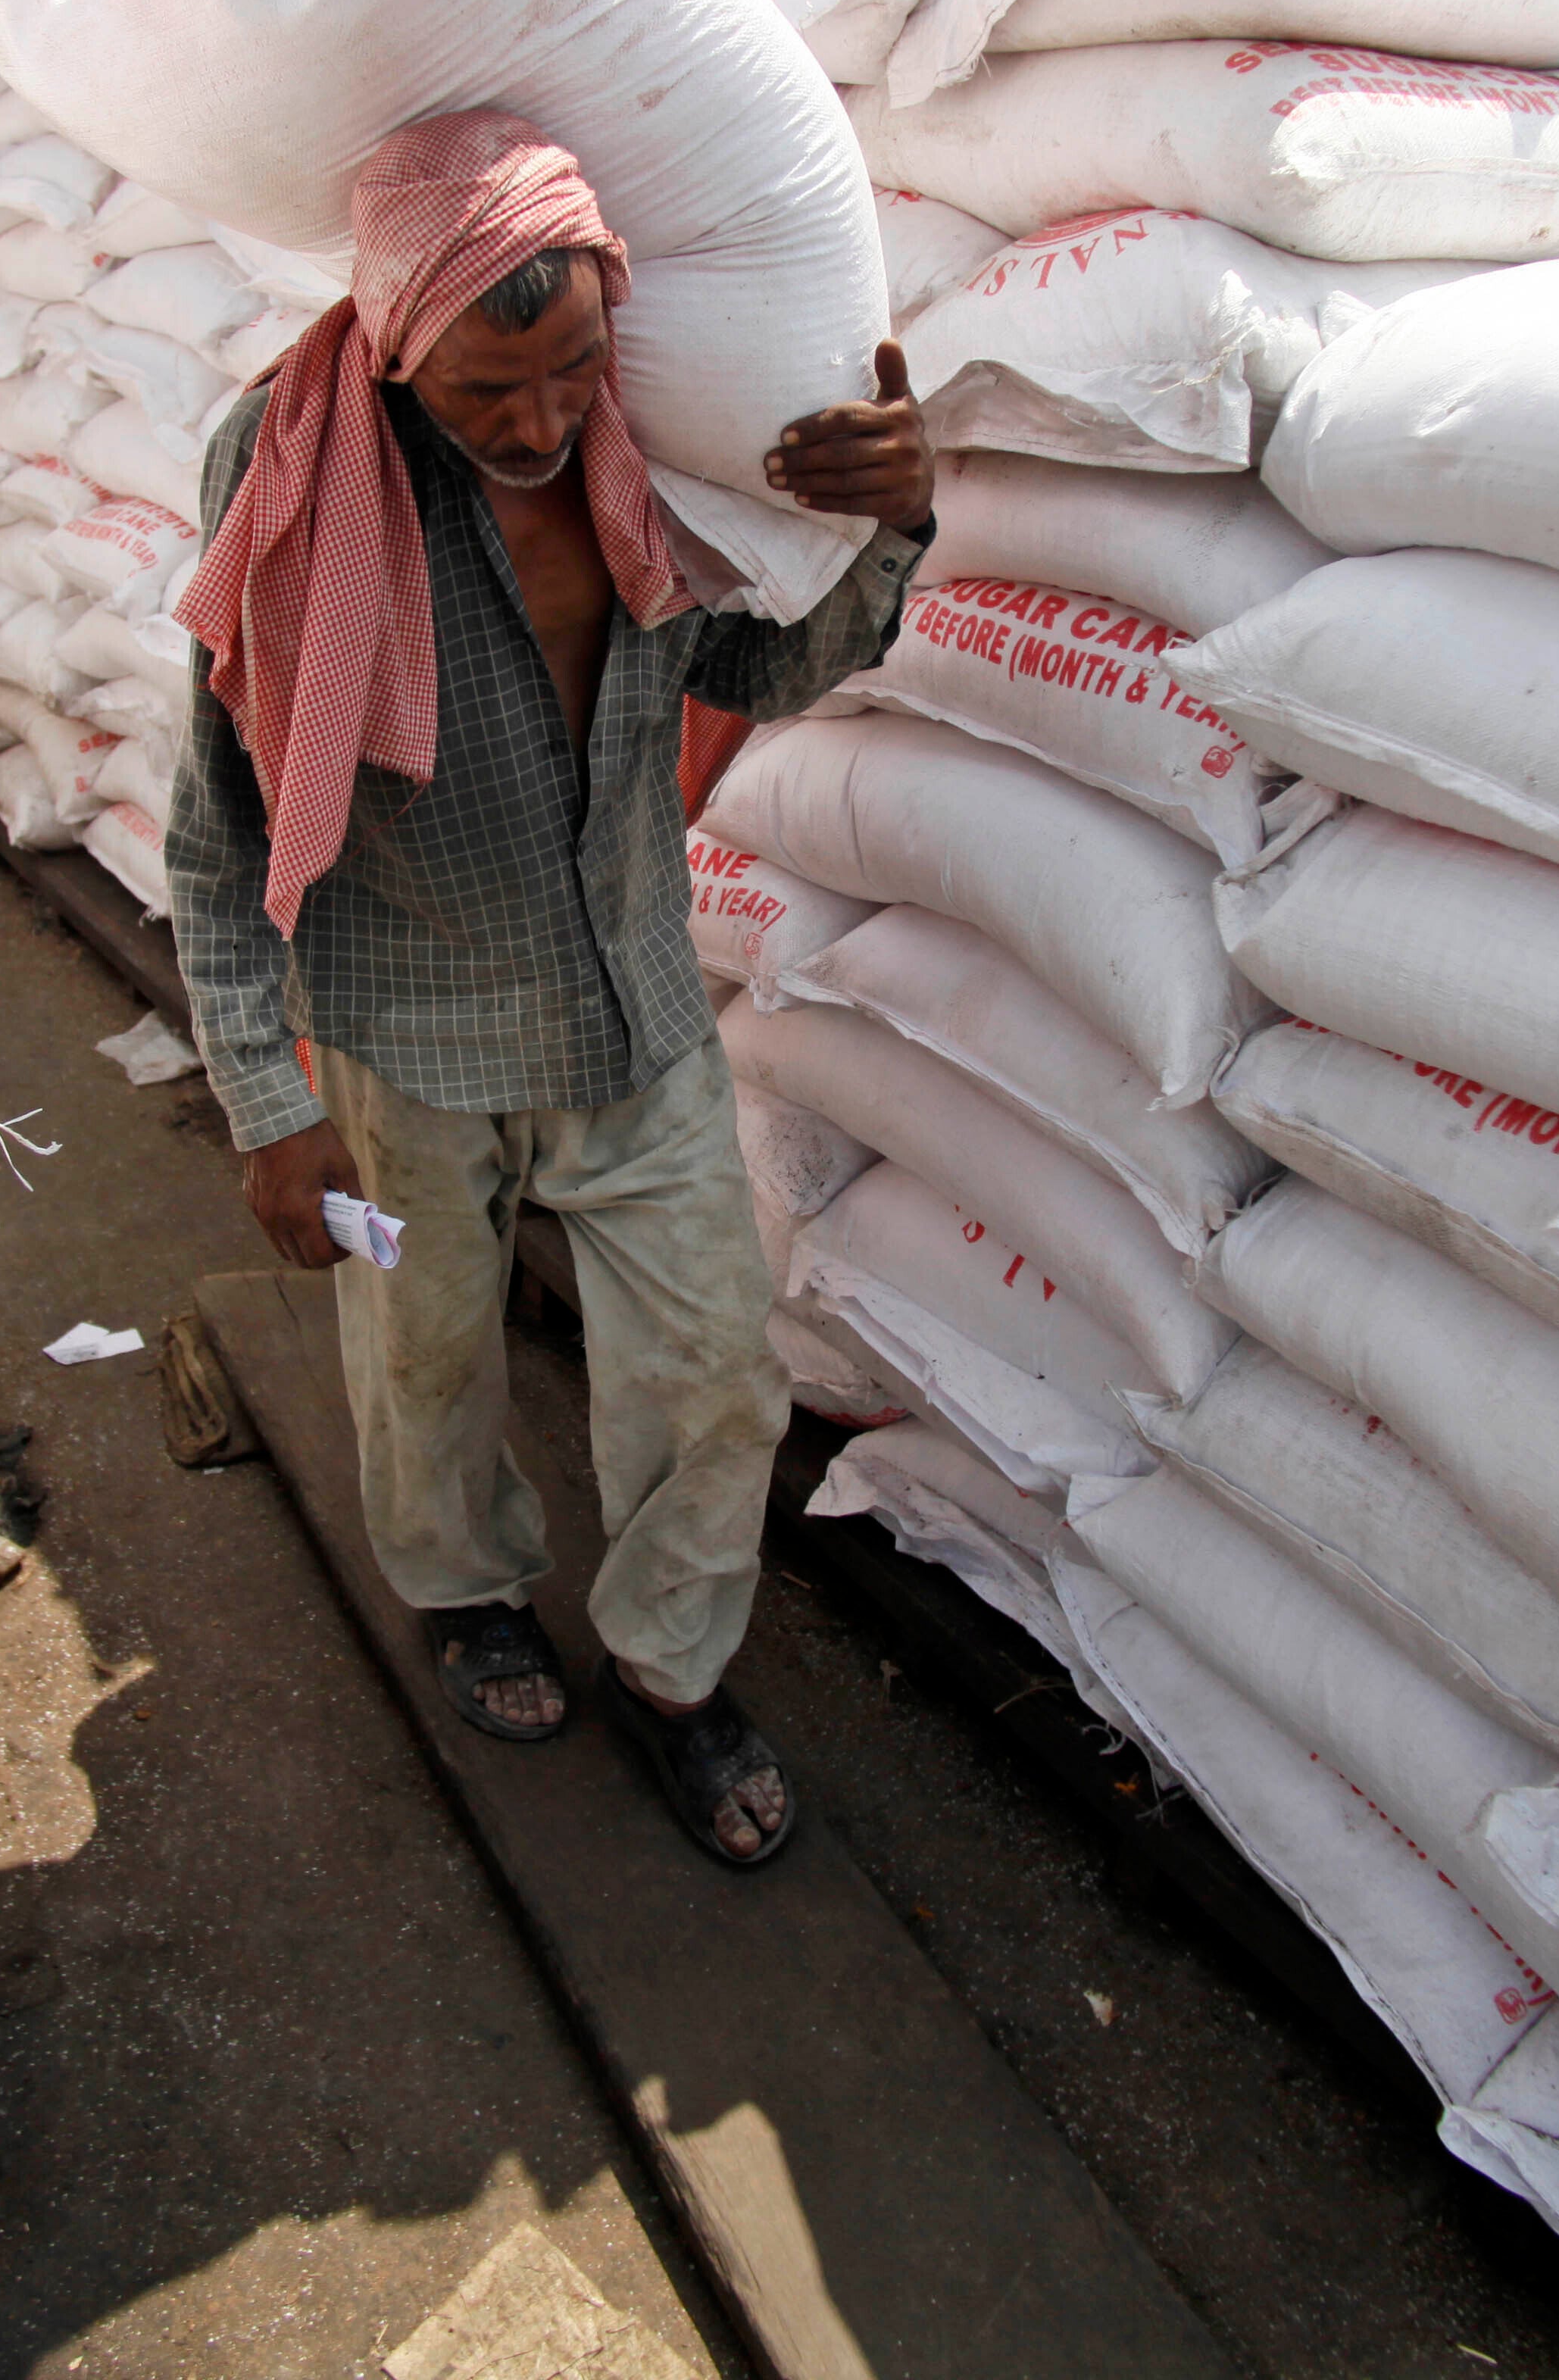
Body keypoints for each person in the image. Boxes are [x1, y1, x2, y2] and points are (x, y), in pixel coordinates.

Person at [166, 109, 933, 1868]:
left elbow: (754, 664)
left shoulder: (641, 456)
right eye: (479, 393)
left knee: (714, 1362)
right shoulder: (290, 480)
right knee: (416, 1348)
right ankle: (465, 1594)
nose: (531, 425)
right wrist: (268, 1113)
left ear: (615, 325)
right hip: (393, 1047)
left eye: (568, 371)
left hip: (632, 1014)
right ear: (393, 341)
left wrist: (896, 529)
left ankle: (673, 1671)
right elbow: (219, 827)